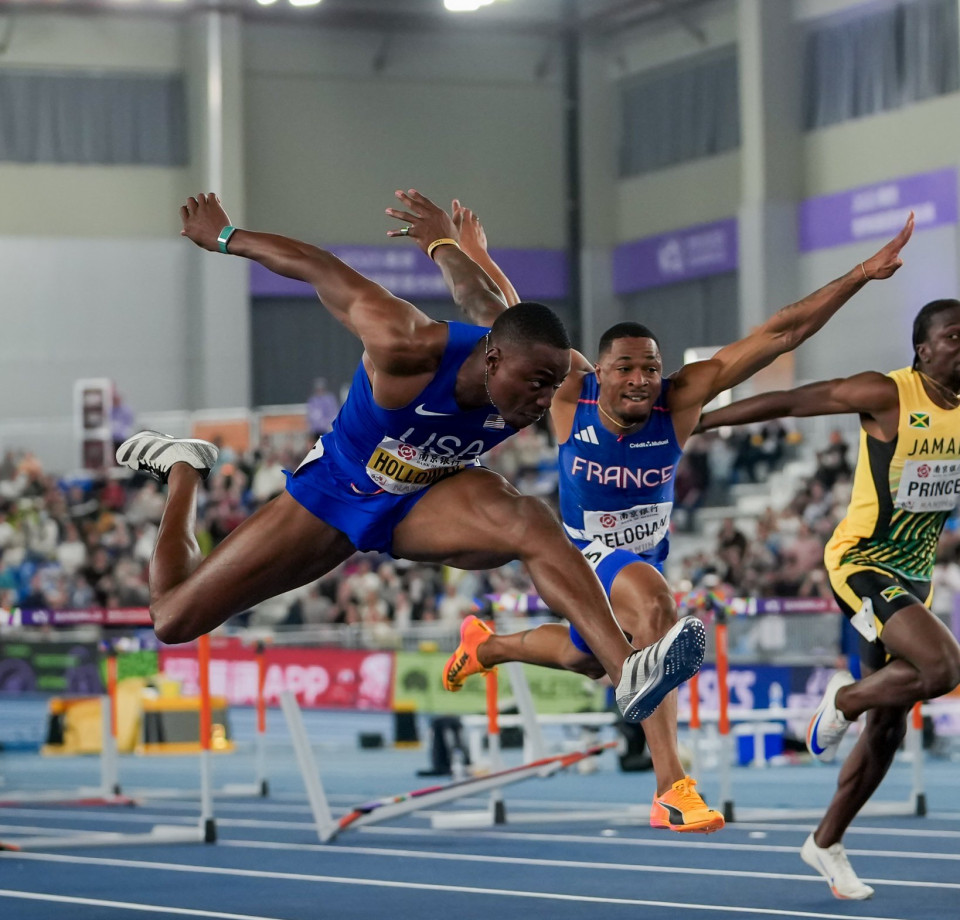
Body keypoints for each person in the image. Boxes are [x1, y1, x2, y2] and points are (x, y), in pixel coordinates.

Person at [394, 195, 914, 834]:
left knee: (593, 660)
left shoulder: (682, 401)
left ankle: (490, 644)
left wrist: (859, 275)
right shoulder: (568, 392)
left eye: (651, 368)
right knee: (659, 615)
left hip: (646, 552)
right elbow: (509, 320)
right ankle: (673, 784)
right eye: (625, 369)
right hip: (582, 555)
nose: (640, 380)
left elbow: (781, 332)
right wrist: (466, 252)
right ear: (600, 372)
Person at [116, 189, 707, 727]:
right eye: (531, 385)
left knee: (531, 520)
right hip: (335, 491)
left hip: (426, 496)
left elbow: (483, 294)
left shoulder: (536, 365)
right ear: (494, 360)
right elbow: (322, 269)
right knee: (173, 619)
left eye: (551, 387)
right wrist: (226, 237)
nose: (537, 404)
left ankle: (628, 670)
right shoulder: (406, 347)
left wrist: (444, 243)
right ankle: (184, 468)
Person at [699, 297, 960, 898]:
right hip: (860, 563)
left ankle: (825, 843)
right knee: (943, 667)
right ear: (924, 349)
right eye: (954, 336)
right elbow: (794, 401)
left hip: (913, 573)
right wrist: (705, 421)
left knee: (890, 727)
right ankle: (842, 701)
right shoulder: (889, 394)